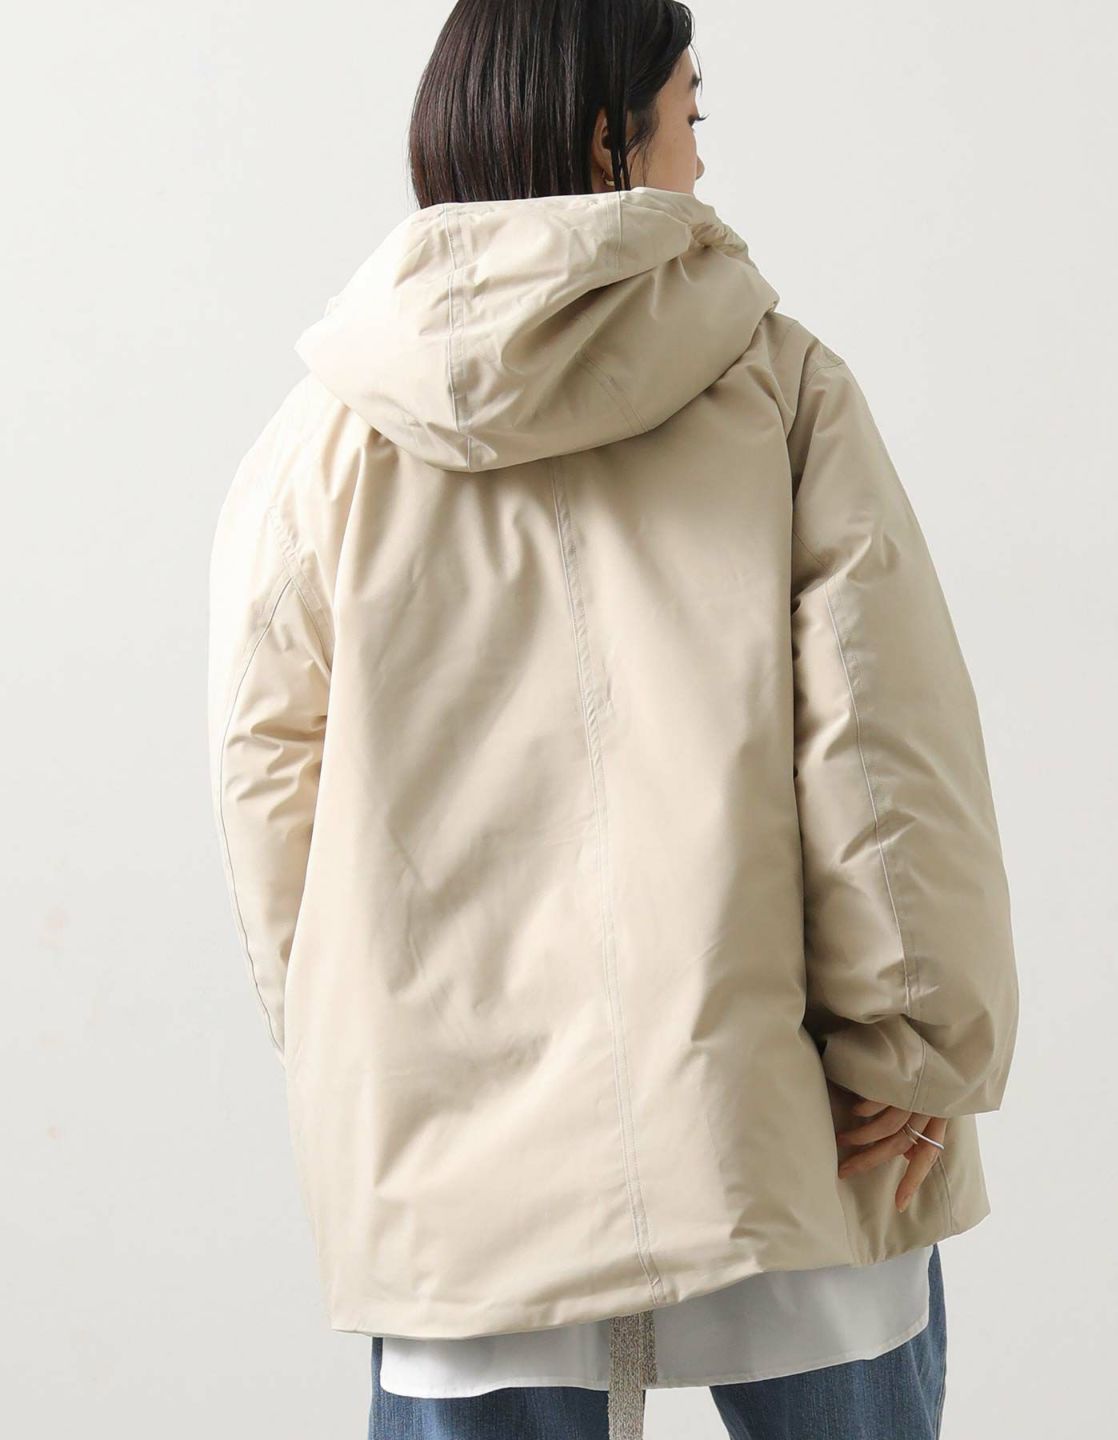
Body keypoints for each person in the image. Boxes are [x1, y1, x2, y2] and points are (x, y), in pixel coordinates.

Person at [206, 2, 1020, 1437]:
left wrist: (363, 1068)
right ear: (609, 142)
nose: (702, 160)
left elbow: (272, 798)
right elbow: (880, 752)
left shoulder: (317, 444)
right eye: (690, 118)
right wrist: (913, 1052)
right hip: (783, 1134)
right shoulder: (781, 387)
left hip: (460, 1184)